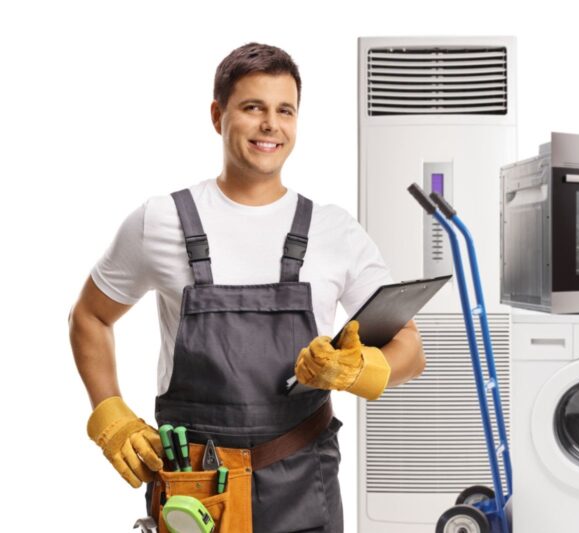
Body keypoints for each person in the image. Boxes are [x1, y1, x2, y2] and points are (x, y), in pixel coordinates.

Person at [68, 42, 425, 532]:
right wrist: (109, 412)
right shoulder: (161, 221)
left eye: (285, 111)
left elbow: (411, 348)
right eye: (253, 107)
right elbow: (89, 316)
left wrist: (358, 368)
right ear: (218, 115)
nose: (270, 124)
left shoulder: (334, 230)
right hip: (196, 492)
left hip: (305, 487)